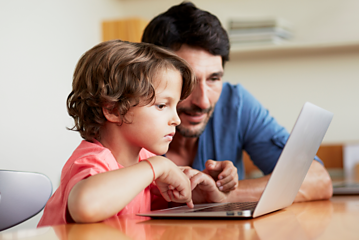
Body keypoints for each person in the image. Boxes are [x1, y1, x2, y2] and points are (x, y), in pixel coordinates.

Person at [141, 1, 333, 202]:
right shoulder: (128, 116)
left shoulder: (235, 104)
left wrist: (217, 194)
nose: (204, 102)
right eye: (187, 81)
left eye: (214, 78)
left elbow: (317, 179)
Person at [38, 40, 237, 226]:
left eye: (175, 106)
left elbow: (166, 205)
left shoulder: (144, 160)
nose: (176, 119)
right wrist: (157, 166)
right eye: (161, 105)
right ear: (114, 110)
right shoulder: (93, 160)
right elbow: (85, 206)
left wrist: (198, 193)